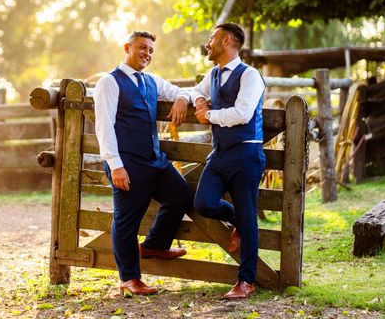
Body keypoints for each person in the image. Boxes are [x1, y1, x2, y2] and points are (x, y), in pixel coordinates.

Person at [94, 31, 194, 296]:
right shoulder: (109, 82)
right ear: (127, 47)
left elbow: (181, 90)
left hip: (155, 162)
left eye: (150, 50)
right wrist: (115, 165)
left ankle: (154, 245)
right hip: (126, 163)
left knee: (181, 195)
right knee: (126, 221)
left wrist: (182, 99)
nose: (147, 54)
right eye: (141, 48)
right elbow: (104, 126)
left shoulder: (151, 81)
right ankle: (129, 278)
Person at [191, 22, 266, 300]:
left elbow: (243, 114)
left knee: (249, 218)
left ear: (227, 41)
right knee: (204, 203)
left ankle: (246, 282)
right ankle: (236, 219)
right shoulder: (212, 74)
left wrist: (209, 116)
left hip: (246, 154)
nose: (208, 44)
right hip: (220, 153)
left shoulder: (250, 76)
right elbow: (195, 91)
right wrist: (199, 102)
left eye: (212, 38)